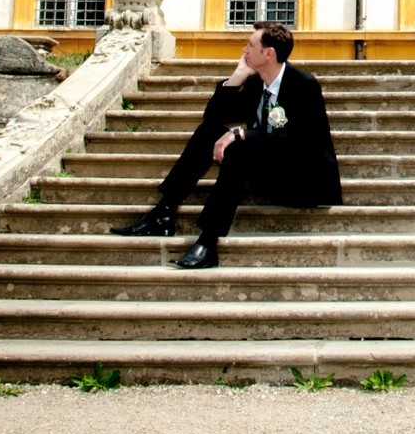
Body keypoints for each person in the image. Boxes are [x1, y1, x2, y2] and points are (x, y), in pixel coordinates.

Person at [110, 20, 342, 269]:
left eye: (251, 45)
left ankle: (208, 242)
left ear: (268, 53)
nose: (245, 50)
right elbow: (213, 118)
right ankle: (163, 213)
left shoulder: (303, 85)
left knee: (240, 148)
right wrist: (236, 77)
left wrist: (243, 134)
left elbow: (301, 142)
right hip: (266, 167)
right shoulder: (255, 83)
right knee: (208, 133)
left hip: (301, 179)